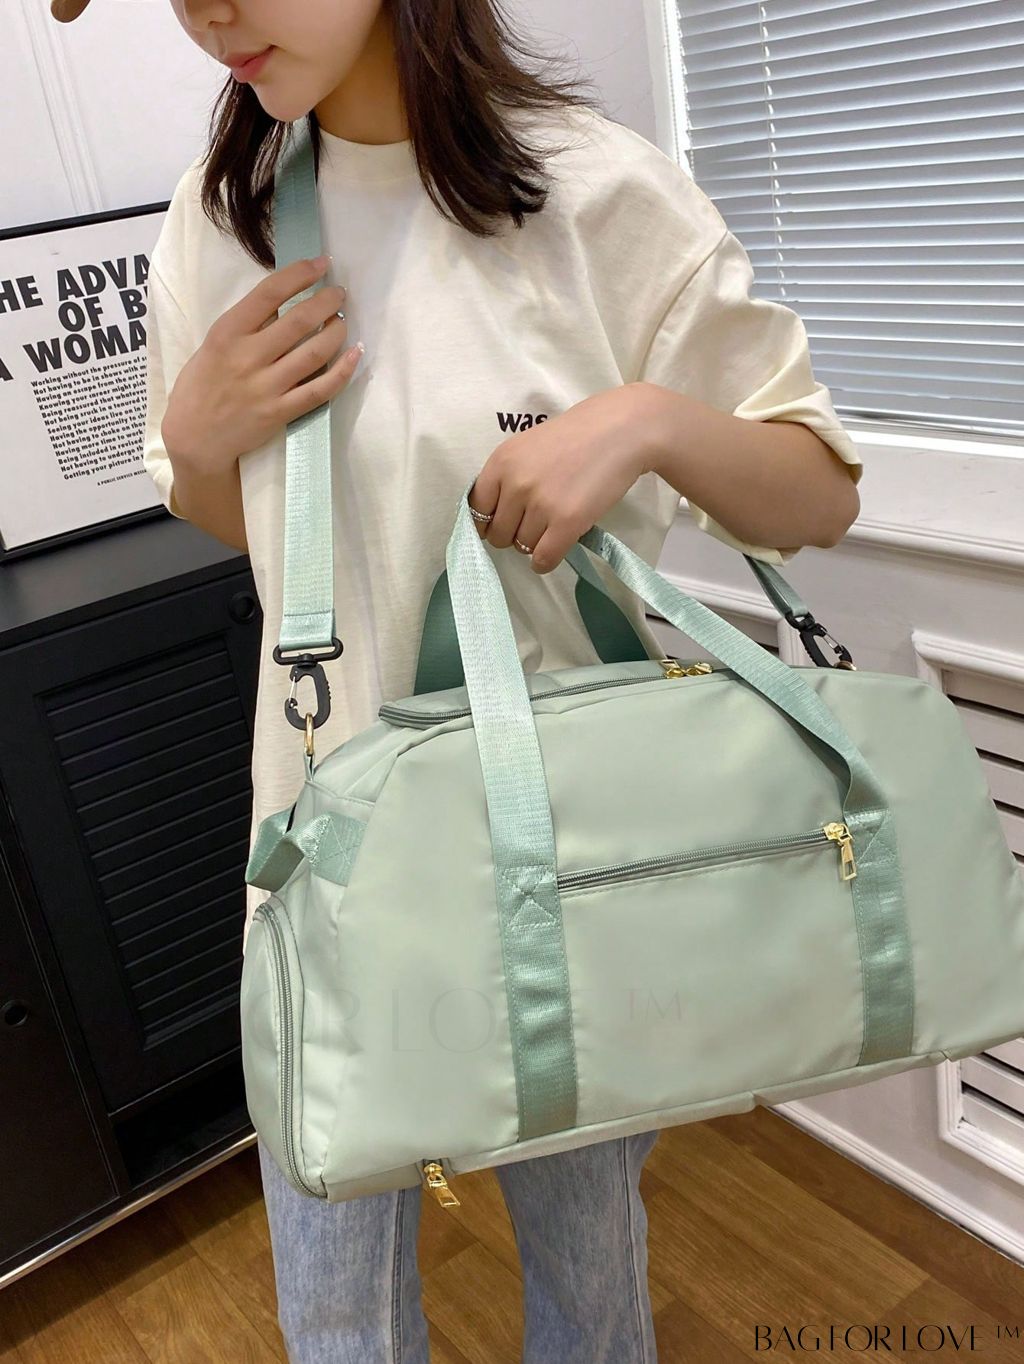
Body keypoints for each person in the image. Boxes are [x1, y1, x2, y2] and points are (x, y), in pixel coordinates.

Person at [52, 0, 863, 1358]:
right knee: (337, 1318)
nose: (210, 13)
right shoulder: (222, 218)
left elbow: (818, 495)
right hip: (328, 873)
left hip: (577, 863)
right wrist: (194, 444)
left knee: (590, 1278)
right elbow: (273, 530)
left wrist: (646, 424)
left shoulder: (595, 194)